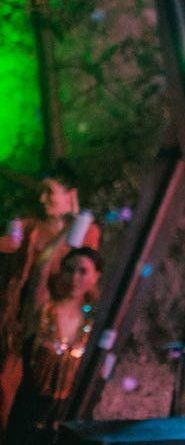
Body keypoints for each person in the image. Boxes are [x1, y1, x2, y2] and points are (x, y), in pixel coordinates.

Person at [0, 173, 100, 432]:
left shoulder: (86, 230)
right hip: (26, 319)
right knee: (6, 389)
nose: (42, 199)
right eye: (41, 192)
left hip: (61, 323)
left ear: (71, 196)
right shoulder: (29, 226)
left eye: (49, 192)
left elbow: (87, 270)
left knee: (52, 390)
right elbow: (12, 245)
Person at [5, 246, 102, 445]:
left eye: (82, 271)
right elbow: (41, 271)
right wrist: (67, 229)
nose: (75, 277)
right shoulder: (44, 311)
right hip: (29, 412)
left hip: (68, 415)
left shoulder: (92, 323)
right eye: (69, 270)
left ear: (96, 276)